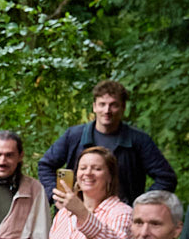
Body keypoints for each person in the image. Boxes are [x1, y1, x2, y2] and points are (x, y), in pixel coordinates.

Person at [35, 80, 178, 204]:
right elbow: (45, 165)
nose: (107, 110)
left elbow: (166, 178)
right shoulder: (74, 136)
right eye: (102, 104)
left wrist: (141, 206)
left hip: (121, 219)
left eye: (113, 105)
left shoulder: (138, 140)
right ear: (94, 106)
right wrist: (57, 197)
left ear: (123, 108)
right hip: (77, 213)